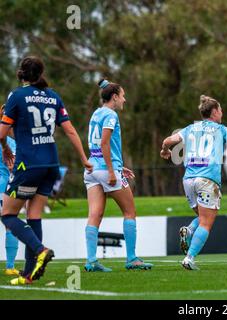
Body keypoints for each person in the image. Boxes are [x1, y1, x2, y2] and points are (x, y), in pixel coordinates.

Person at [0, 56, 93, 285]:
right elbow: (70, 131)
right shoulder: (53, 96)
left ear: (21, 73)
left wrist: (4, 149)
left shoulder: (17, 96)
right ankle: (29, 274)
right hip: (51, 164)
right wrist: (84, 159)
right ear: (40, 74)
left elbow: (2, 133)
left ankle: (40, 250)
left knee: (8, 215)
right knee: (34, 215)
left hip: (27, 164)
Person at [160, 95, 227, 270]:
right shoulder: (221, 129)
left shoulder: (190, 128)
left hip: (188, 180)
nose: (222, 113)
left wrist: (165, 150)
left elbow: (167, 141)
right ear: (215, 111)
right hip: (207, 180)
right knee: (206, 223)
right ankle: (189, 259)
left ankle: (189, 230)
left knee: (201, 217)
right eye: (221, 110)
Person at [84, 79, 153, 272]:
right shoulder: (111, 115)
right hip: (107, 170)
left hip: (92, 170)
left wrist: (118, 167)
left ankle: (91, 261)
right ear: (114, 97)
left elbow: (97, 146)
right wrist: (113, 170)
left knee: (94, 215)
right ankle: (132, 258)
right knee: (130, 212)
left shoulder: (96, 113)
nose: (125, 99)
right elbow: (105, 143)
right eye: (122, 95)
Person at [0, 124, 19, 276]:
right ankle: (10, 266)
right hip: (5, 188)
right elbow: (15, 168)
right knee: (10, 224)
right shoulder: (13, 144)